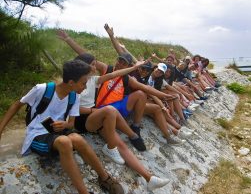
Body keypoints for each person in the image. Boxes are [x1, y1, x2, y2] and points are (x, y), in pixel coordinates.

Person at [0, 60, 124, 194]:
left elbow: (71, 123)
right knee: (65, 142)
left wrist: (65, 124)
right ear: (71, 82)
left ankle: (105, 178)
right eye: (83, 83)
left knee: (77, 138)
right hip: (36, 135)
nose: (86, 86)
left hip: (55, 133)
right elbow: (16, 105)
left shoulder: (74, 97)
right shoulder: (43, 89)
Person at [74, 53, 170, 191]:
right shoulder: (75, 83)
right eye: (93, 64)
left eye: (95, 64)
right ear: (83, 65)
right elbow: (71, 107)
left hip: (97, 116)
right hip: (85, 119)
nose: (95, 67)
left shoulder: (94, 79)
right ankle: (131, 135)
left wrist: (135, 67)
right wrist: (92, 111)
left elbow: (115, 75)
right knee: (110, 111)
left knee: (120, 143)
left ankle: (149, 178)